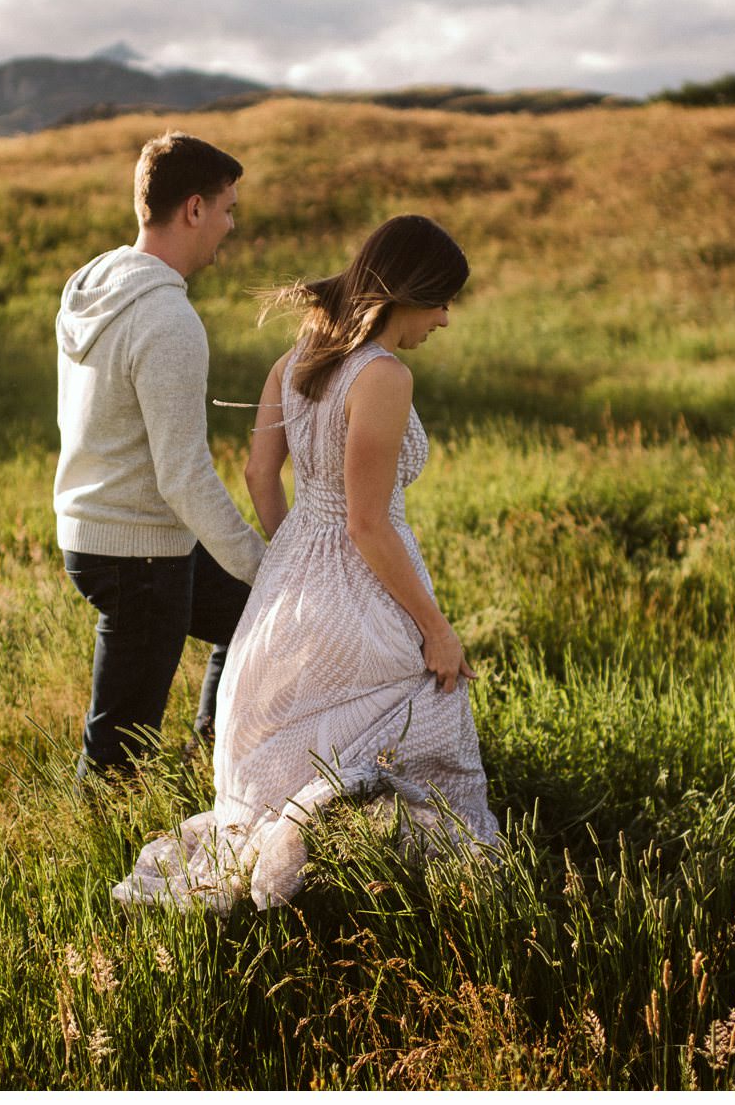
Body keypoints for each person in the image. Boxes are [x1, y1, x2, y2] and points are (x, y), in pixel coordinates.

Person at [113, 214, 500, 911]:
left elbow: (262, 473)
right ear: (406, 292)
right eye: (441, 300)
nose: (444, 318)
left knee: (303, 730)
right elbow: (366, 520)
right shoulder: (382, 375)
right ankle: (382, 881)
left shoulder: (296, 360)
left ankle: (317, 853)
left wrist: (293, 553)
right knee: (423, 699)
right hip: (362, 575)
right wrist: (436, 628)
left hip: (293, 572)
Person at [55, 131, 265, 776]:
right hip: (138, 552)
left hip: (109, 534)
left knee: (253, 617)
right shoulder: (168, 319)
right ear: (194, 208)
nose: (230, 226)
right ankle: (96, 854)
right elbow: (183, 475)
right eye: (228, 209)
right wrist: (262, 561)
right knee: (119, 749)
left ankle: (213, 747)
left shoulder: (95, 283)